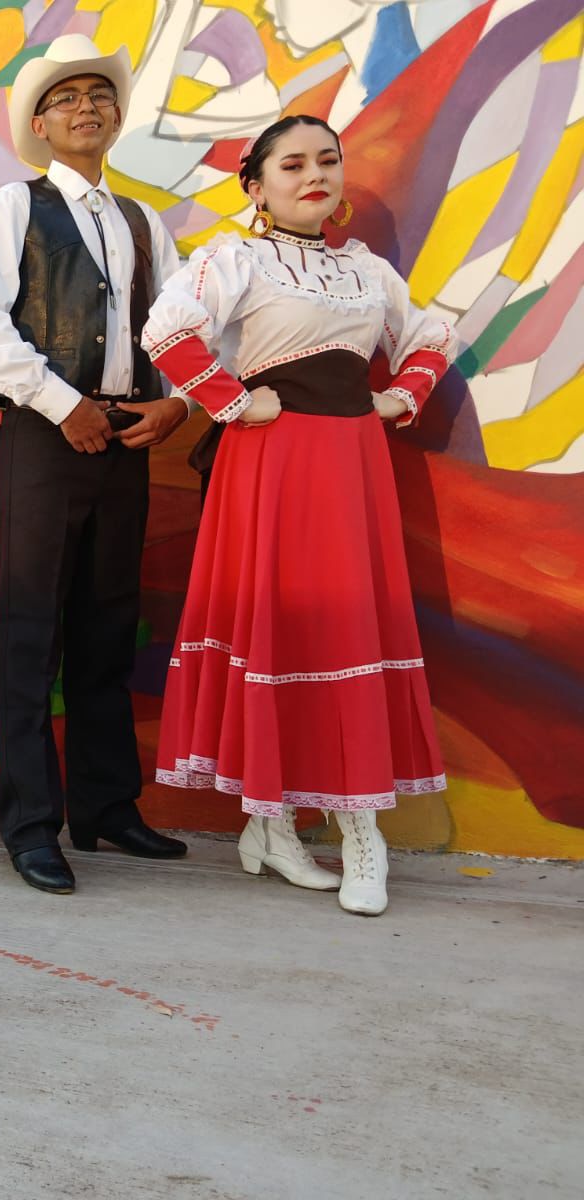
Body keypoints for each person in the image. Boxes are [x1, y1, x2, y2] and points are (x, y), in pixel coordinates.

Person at [141, 115, 457, 916]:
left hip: (352, 470)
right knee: (275, 632)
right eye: (292, 163)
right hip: (271, 468)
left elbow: (427, 339)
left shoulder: (367, 272)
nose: (314, 174)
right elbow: (167, 332)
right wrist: (234, 402)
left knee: (348, 629)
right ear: (256, 186)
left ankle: (360, 834)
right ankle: (273, 827)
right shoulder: (234, 258)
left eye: (328, 160)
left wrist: (398, 396)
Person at [0, 35, 189, 895]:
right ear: (41, 124)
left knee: (105, 626)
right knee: (29, 631)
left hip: (125, 440)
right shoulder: (17, 207)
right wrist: (63, 406)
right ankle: (29, 823)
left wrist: (178, 402)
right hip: (46, 439)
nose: (87, 108)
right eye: (68, 98)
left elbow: (182, 328)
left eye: (100, 96)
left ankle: (106, 806)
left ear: (117, 117)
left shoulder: (142, 221)